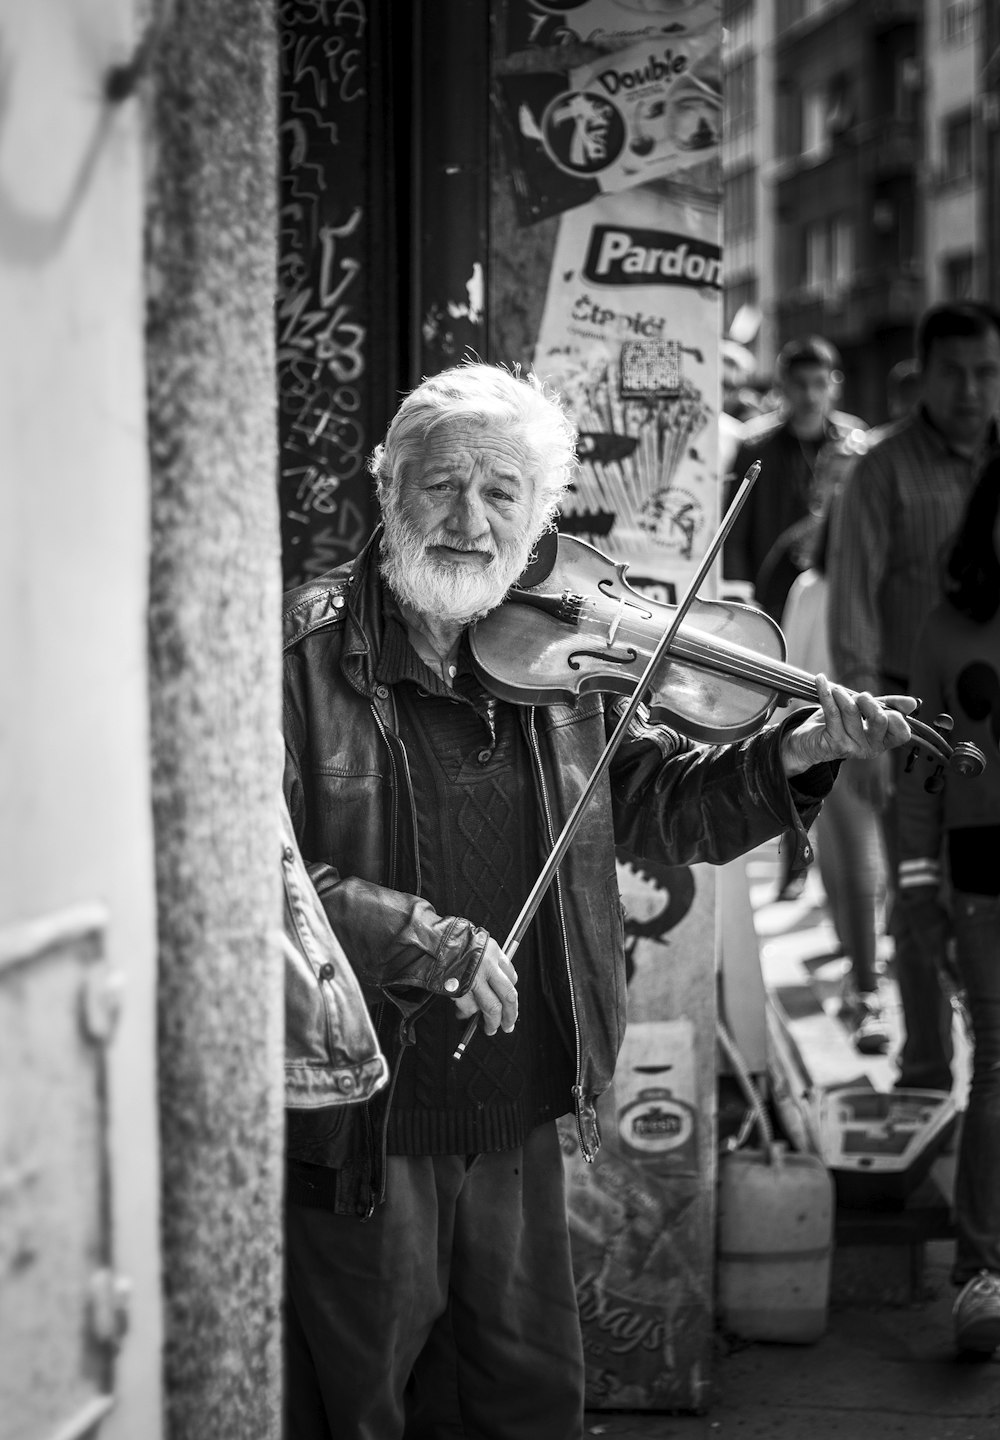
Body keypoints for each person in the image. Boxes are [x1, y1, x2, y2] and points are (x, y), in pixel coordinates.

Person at [281, 361, 916, 1440]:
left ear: (538, 518)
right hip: (365, 1116)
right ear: (387, 487)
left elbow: (668, 808)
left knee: (524, 1397)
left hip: (526, 1099)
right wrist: (425, 939)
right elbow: (261, 871)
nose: (469, 520)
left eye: (501, 494)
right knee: (362, 1406)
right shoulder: (302, 654)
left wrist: (801, 748)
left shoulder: (563, 667)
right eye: (441, 485)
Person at [827, 300, 1000, 1094]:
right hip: (915, 726)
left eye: (987, 371)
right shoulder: (882, 470)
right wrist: (866, 731)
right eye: (956, 372)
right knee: (921, 894)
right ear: (923, 377)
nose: (972, 389)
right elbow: (851, 605)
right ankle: (929, 1068)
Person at [897, 456, 1000, 1354]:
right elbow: (923, 767)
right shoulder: (944, 628)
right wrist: (914, 881)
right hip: (982, 872)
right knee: (999, 1064)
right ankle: (981, 1275)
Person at [781, 495, 890, 1055]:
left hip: (894, 743)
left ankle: (888, 978)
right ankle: (865, 982)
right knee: (849, 872)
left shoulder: (892, 583)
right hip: (833, 745)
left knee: (892, 877)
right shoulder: (812, 588)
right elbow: (793, 674)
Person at [722, 334, 866, 624]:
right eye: (800, 384)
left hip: (833, 594)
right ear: (783, 385)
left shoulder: (855, 442)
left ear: (835, 384)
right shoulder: (755, 444)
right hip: (768, 597)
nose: (810, 395)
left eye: (820, 383)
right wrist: (741, 600)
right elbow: (734, 533)